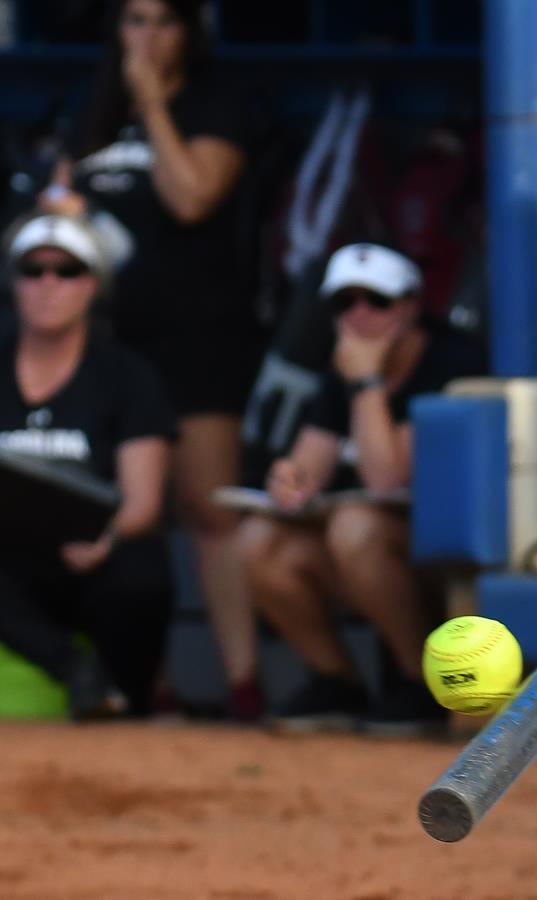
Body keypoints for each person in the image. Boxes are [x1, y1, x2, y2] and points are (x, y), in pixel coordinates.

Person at [38, 0, 266, 719]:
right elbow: (60, 210)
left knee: (209, 513)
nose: (147, 35)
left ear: (189, 29)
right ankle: (148, 685)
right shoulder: (95, 108)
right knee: (131, 518)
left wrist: (152, 103)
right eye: (133, 20)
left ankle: (244, 686)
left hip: (198, 335)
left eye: (162, 20)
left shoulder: (215, 100)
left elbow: (194, 195)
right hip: (111, 345)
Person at [236, 243, 485, 734]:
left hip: (448, 563)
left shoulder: (450, 359)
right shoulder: (345, 367)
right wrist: (290, 480)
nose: (359, 315)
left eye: (377, 301)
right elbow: (311, 463)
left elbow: (386, 476)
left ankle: (423, 684)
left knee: (355, 529)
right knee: (257, 540)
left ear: (411, 306)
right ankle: (336, 681)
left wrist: (367, 382)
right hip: (377, 558)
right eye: (344, 303)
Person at [0, 213, 176, 718]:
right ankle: (76, 670)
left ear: (93, 285)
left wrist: (109, 536)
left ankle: (130, 700)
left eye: (67, 271)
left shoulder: (126, 375)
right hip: (9, 563)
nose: (48, 284)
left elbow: (143, 501)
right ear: (14, 282)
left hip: (94, 550)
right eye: (33, 270)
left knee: (143, 574)